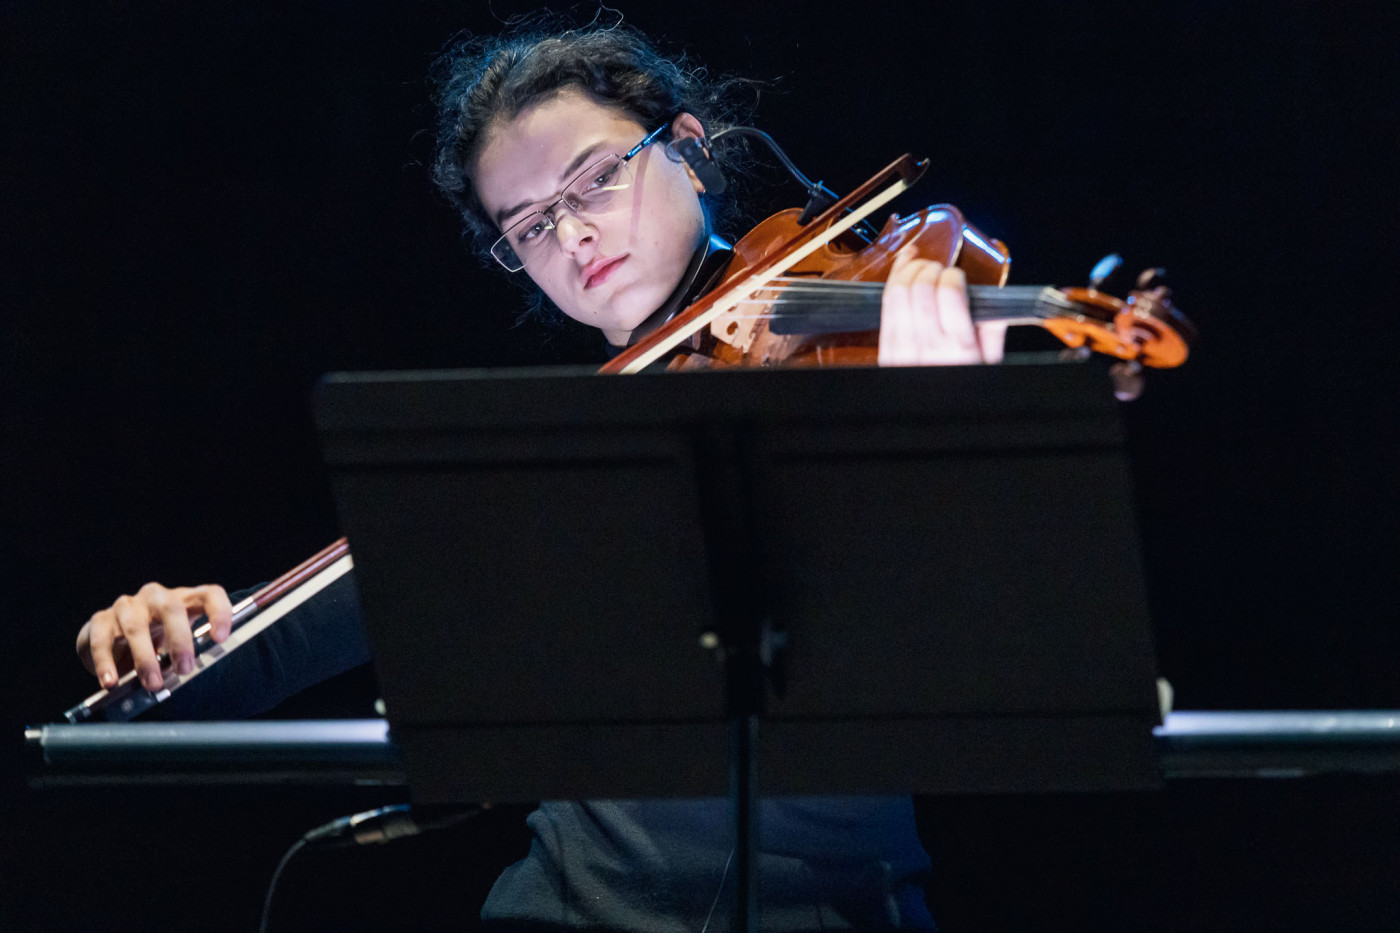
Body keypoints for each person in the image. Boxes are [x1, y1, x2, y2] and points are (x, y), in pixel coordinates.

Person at [76, 18, 1007, 931]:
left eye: (595, 179)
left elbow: (970, 626)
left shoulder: (844, 339)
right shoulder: (547, 461)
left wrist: (949, 442)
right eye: (528, 225)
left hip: (846, 906)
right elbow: (300, 635)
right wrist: (165, 644)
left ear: (689, 148)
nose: (572, 236)